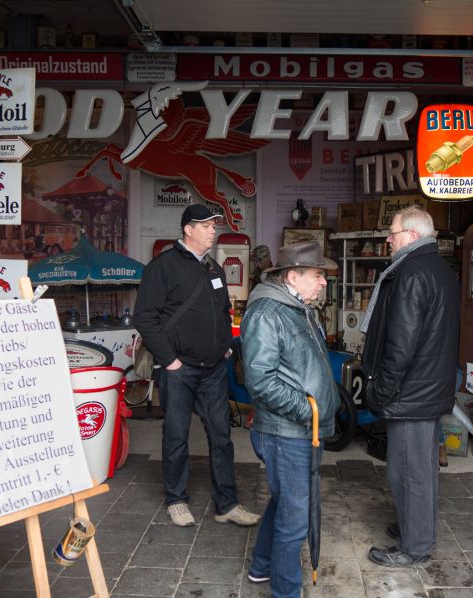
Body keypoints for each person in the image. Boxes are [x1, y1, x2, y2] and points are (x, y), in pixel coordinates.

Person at [133, 204, 260, 528]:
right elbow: (145, 318)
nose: (213, 230)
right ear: (188, 229)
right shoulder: (162, 267)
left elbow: (220, 313)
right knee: (176, 435)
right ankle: (176, 499)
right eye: (206, 226)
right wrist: (169, 360)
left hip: (214, 369)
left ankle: (227, 504)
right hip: (180, 369)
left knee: (222, 437)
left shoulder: (214, 269)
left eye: (214, 225)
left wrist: (226, 349)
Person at [360, 205, 460, 567]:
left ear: (412, 237)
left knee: (407, 471)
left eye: (393, 232)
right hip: (426, 387)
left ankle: (415, 547)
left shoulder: (412, 273)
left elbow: (401, 344)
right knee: (422, 469)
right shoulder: (438, 269)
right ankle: (415, 529)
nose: (388, 239)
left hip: (411, 392)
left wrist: (381, 391)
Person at [240, 240, 340, 597]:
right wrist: (308, 411)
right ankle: (286, 591)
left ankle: (262, 567)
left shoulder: (298, 307)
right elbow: (260, 380)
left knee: (286, 503)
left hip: (299, 431)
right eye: (318, 274)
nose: (324, 281)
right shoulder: (268, 312)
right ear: (293, 277)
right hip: (288, 432)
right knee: (295, 518)